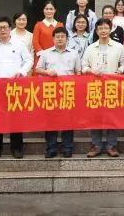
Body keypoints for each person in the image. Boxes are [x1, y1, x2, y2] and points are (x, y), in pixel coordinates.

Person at [0, 17, 33, 159]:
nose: (3, 30)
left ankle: (17, 148)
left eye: (5, 27)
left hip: (15, 86)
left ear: (10, 29)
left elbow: (29, 60)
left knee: (15, 117)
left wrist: (22, 72)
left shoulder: (19, 44)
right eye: (0, 28)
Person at [82, 18, 124, 158]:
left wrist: (120, 71)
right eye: (100, 28)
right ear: (96, 31)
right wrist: (91, 71)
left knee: (112, 116)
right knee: (95, 116)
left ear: (110, 29)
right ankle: (96, 145)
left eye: (106, 28)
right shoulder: (90, 48)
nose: (103, 31)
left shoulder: (119, 47)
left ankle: (111, 146)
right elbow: (84, 66)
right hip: (95, 86)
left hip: (112, 86)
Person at [35, 27, 81, 158]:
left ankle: (67, 148)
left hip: (68, 91)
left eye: (62, 36)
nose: (60, 39)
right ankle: (51, 148)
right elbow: (37, 69)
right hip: (51, 91)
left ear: (67, 39)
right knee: (51, 120)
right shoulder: (46, 53)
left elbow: (78, 72)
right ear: (53, 39)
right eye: (57, 37)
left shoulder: (74, 54)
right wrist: (47, 72)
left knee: (68, 120)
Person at [32, 1, 64, 68]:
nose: (49, 11)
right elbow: (35, 42)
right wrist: (44, 55)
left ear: (55, 10)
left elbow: (63, 41)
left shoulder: (60, 25)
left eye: (51, 9)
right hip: (41, 58)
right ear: (43, 10)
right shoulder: (38, 25)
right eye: (46, 9)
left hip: (57, 56)